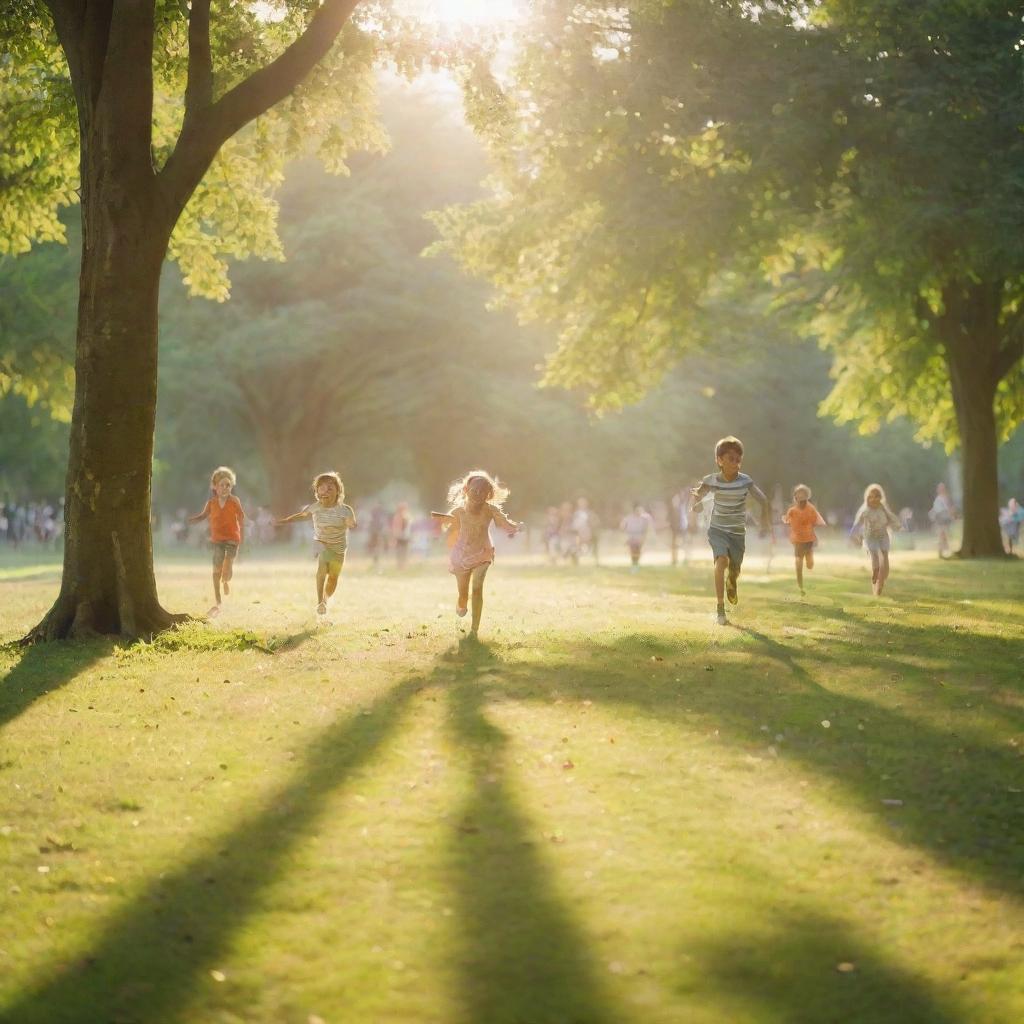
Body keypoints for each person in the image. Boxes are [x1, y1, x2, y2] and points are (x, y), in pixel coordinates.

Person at [690, 436, 771, 625]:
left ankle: (732, 581)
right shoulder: (711, 480)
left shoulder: (745, 481)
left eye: (738, 459)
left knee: (734, 569)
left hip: (737, 533)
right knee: (721, 562)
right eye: (730, 458)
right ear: (719, 460)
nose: (735, 463)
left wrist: (765, 523)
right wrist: (696, 505)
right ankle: (720, 610)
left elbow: (764, 500)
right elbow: (697, 496)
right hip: (717, 530)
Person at [431, 470, 520, 638]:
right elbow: (447, 526)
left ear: (488, 495)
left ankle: (474, 631)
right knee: (463, 594)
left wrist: (515, 527)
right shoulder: (459, 511)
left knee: (477, 587)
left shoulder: (491, 510)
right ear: (466, 490)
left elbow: (505, 524)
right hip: (461, 555)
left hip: (483, 553)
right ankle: (462, 602)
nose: (477, 495)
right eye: (474, 491)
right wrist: (438, 528)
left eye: (482, 492)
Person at [276, 472, 356, 616]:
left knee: (333, 577)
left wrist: (351, 523)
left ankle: (325, 599)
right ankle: (320, 602)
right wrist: (285, 521)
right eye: (322, 488)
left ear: (338, 491)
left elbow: (352, 522)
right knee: (321, 569)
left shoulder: (345, 510)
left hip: (339, 548)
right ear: (317, 492)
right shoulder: (316, 507)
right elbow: (302, 516)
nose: (325, 491)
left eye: (330, 488)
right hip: (321, 543)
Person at [188, 466, 245, 617]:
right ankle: (218, 600)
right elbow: (203, 516)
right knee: (216, 570)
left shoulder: (234, 501)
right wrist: (192, 520)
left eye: (228, 485)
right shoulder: (211, 503)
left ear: (231, 486)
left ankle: (226, 580)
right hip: (217, 540)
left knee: (227, 566)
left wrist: (242, 534)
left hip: (233, 539)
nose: (225, 488)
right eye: (222, 485)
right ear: (215, 486)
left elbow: (241, 517)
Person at [850, 483, 901, 596]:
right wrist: (853, 533)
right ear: (867, 498)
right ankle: (876, 572)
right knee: (874, 556)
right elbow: (857, 522)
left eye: (876, 496)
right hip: (870, 537)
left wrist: (898, 526)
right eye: (871, 497)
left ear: (880, 498)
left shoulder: (883, 508)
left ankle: (882, 579)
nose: (873, 499)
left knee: (885, 556)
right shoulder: (865, 509)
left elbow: (891, 517)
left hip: (883, 536)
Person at [782, 484, 827, 595]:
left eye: (804, 495)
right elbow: (787, 521)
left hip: (808, 540)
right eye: (799, 495)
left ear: (807, 497)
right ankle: (800, 586)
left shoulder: (811, 509)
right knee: (798, 562)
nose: (801, 497)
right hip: (797, 540)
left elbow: (817, 521)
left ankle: (810, 555)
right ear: (795, 497)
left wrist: (817, 532)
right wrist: (785, 521)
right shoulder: (792, 511)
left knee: (809, 565)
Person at [620, 503, 654, 570]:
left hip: (639, 538)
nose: (638, 512)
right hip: (631, 537)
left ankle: (636, 564)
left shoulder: (644, 519)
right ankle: (634, 565)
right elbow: (622, 527)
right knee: (633, 551)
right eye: (637, 510)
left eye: (640, 510)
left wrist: (644, 537)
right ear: (634, 510)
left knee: (638, 551)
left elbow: (646, 528)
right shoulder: (628, 518)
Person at [928, 481, 958, 557]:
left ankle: (944, 551)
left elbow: (950, 508)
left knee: (944, 535)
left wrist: (952, 514)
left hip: (945, 519)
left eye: (942, 488)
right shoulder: (938, 499)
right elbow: (937, 510)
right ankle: (941, 551)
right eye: (940, 488)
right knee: (942, 535)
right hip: (940, 519)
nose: (941, 489)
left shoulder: (946, 498)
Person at [572, 497, 601, 565]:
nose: (582, 504)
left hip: (589, 532)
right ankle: (576, 557)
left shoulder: (590, 513)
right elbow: (574, 525)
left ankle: (593, 557)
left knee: (589, 541)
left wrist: (591, 524)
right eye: (580, 503)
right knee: (576, 541)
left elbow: (596, 522)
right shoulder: (576, 514)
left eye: (584, 503)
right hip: (578, 533)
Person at [391, 501, 412, 569]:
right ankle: (401, 565)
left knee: (404, 551)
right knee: (400, 551)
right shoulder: (398, 516)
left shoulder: (406, 516)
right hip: (400, 536)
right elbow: (396, 527)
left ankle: (403, 565)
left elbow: (409, 527)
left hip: (404, 536)